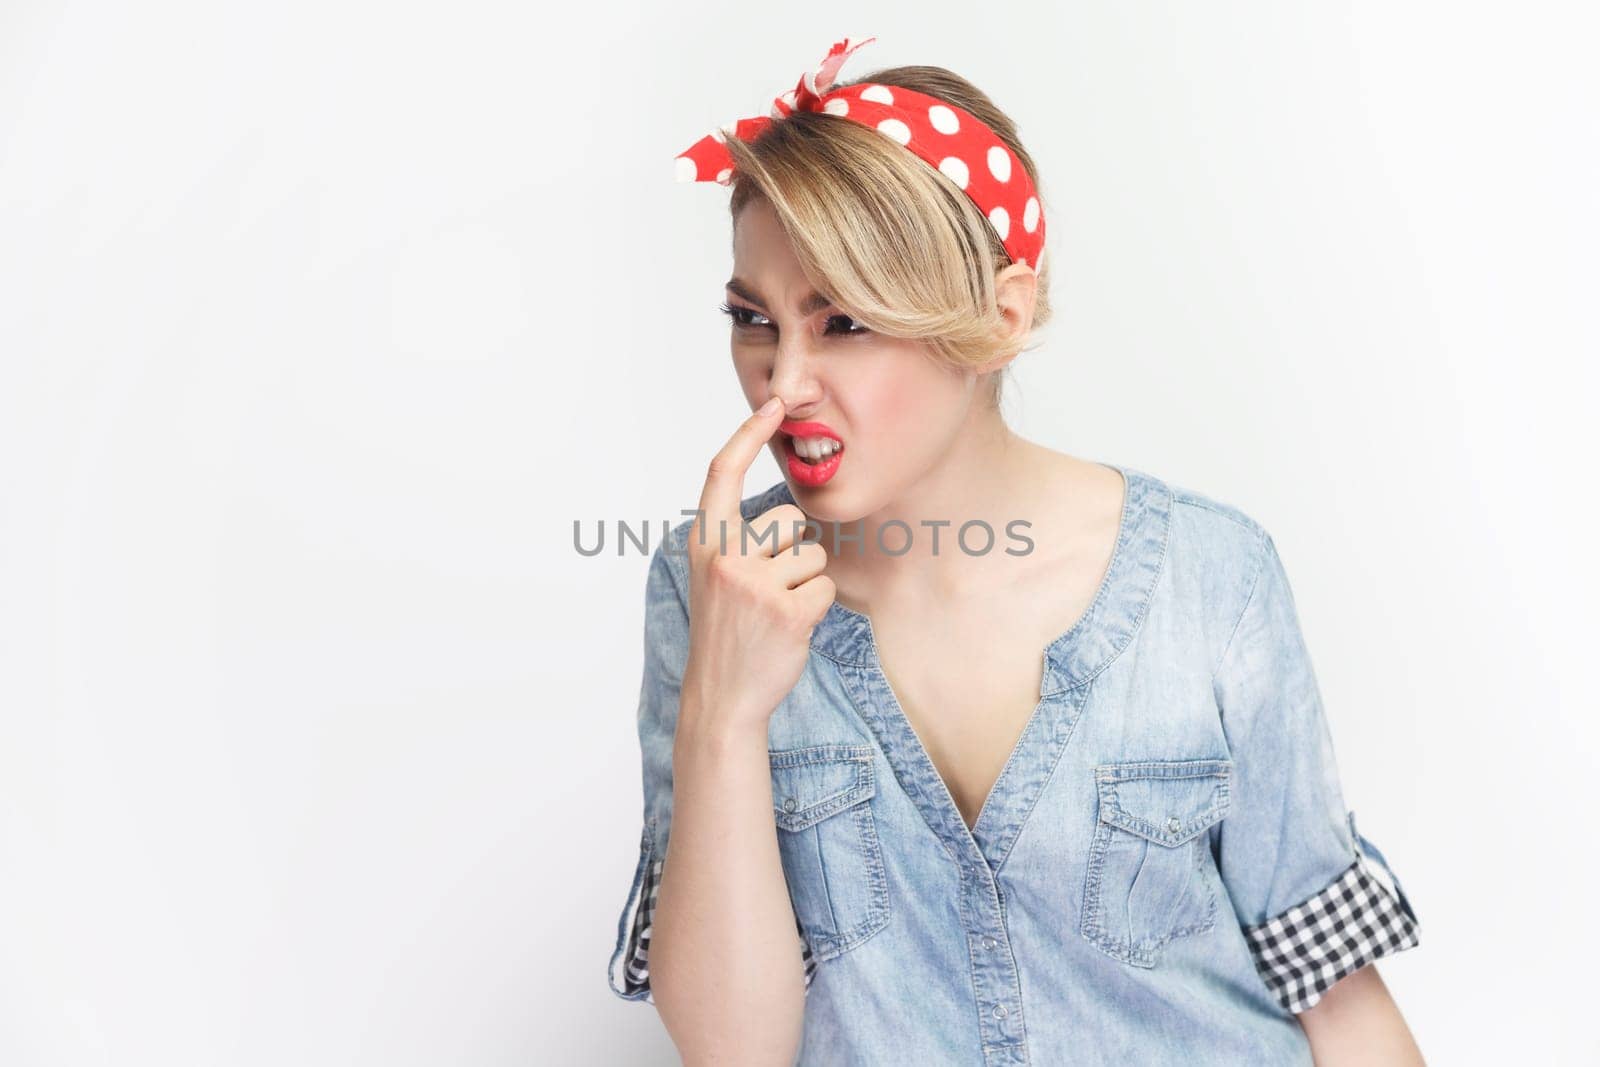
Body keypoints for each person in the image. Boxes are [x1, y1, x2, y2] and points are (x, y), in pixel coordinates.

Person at [607, 36, 1424, 1066]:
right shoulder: (709, 586)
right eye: (752, 319)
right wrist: (723, 715)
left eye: (845, 321)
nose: (782, 382)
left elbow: (1335, 997)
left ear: (999, 317)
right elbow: (732, 1050)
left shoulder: (1210, 578)